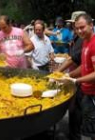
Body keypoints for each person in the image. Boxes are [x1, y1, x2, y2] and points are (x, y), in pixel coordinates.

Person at [64, 13, 95, 140]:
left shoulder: (93, 44)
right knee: (84, 123)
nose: (79, 31)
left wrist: (75, 80)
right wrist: (68, 75)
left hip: (93, 94)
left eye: (82, 27)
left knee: (89, 130)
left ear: (91, 25)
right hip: (85, 91)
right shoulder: (85, 42)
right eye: (77, 28)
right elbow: (85, 67)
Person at [57, 11, 86, 140]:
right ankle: (74, 132)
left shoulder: (82, 39)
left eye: (80, 26)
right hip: (75, 76)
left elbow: (75, 60)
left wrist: (63, 74)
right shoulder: (76, 37)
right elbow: (71, 58)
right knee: (74, 107)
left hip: (80, 79)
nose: (76, 28)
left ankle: (75, 135)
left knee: (76, 109)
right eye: (75, 25)